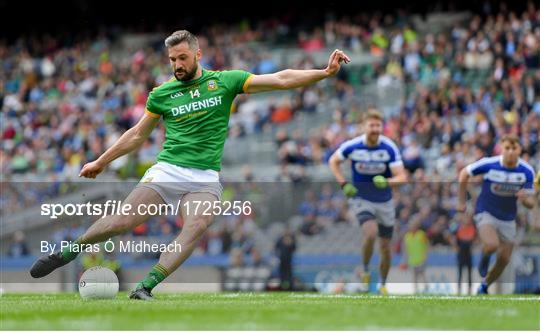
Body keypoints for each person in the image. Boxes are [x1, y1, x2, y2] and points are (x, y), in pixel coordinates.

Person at [30, 30, 350, 300]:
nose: (177, 65)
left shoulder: (225, 81)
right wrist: (101, 161)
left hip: (205, 176)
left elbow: (280, 79)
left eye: (182, 58)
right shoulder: (162, 94)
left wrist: (323, 73)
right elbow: (138, 134)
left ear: (198, 53)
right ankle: (69, 251)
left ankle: (145, 287)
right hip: (168, 169)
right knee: (119, 223)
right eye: (172, 60)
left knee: (197, 225)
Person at [328, 108, 408, 295]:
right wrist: (343, 184)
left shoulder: (389, 147)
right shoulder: (353, 146)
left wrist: (387, 181)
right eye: (371, 125)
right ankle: (365, 269)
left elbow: (402, 176)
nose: (375, 128)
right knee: (370, 232)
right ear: (364, 127)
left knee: (386, 248)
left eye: (378, 125)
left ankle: (383, 284)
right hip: (361, 198)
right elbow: (333, 161)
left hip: (385, 201)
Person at [457, 135, 536, 295]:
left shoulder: (527, 171)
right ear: (501, 148)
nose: (511, 152)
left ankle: (484, 286)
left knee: (504, 259)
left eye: (514, 148)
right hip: (486, 212)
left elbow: (531, 203)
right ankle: (485, 257)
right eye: (507, 148)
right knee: (492, 244)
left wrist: (525, 198)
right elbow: (464, 173)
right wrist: (461, 201)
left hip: (508, 218)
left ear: (520, 150)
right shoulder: (489, 164)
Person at [451, 214, 477, 295]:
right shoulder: (458, 228)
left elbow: (475, 239)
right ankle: (459, 290)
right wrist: (455, 246)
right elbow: (452, 236)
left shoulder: (472, 228)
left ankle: (470, 290)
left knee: (469, 273)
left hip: (468, 253)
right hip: (461, 253)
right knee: (460, 273)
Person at [403, 219, 429, 294]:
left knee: (421, 274)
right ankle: (415, 290)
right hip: (412, 259)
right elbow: (405, 248)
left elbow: (426, 245)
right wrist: (405, 259)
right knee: (414, 275)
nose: (412, 227)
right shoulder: (407, 236)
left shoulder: (421, 234)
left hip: (421, 258)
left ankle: (426, 287)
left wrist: (425, 255)